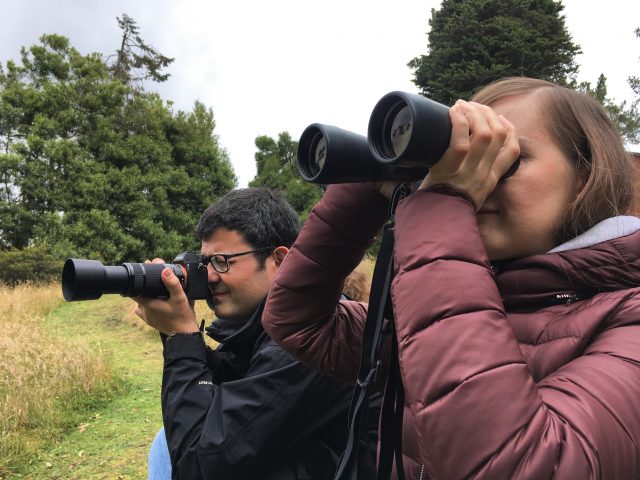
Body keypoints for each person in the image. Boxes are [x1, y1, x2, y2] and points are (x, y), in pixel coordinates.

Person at [262, 77, 640, 479]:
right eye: (464, 150)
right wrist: (370, 190)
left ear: (585, 178)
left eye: (507, 158)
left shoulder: (627, 319)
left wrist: (439, 210)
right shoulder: (457, 299)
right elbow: (300, 322)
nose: (480, 174)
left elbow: (525, 468)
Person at [134, 187, 369, 480]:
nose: (209, 276)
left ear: (280, 261)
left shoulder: (310, 340)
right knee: (162, 442)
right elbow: (237, 391)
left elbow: (199, 466)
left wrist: (181, 337)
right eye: (205, 262)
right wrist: (178, 333)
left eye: (223, 261)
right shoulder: (270, 326)